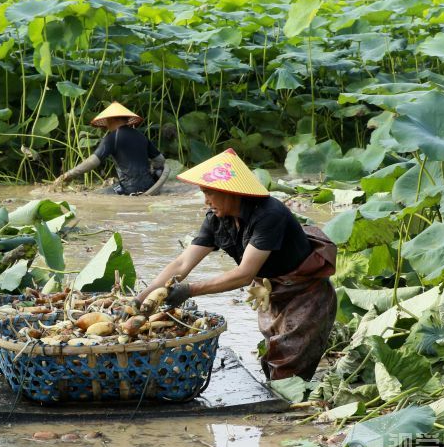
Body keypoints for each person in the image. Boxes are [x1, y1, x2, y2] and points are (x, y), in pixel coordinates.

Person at [135, 149, 338, 381]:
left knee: (288, 371)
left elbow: (244, 274)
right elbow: (181, 264)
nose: (206, 201)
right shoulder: (217, 219)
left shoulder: (269, 215)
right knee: (274, 357)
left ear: (230, 191)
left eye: (209, 193)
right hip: (271, 293)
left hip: (306, 296)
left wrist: (190, 290)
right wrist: (140, 299)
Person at [52, 102, 168, 196]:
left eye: (107, 120)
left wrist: (68, 175)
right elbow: (160, 160)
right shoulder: (141, 136)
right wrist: (153, 172)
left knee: (95, 195)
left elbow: (92, 162)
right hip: (149, 186)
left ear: (112, 119)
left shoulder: (113, 137)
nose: (106, 125)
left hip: (129, 189)